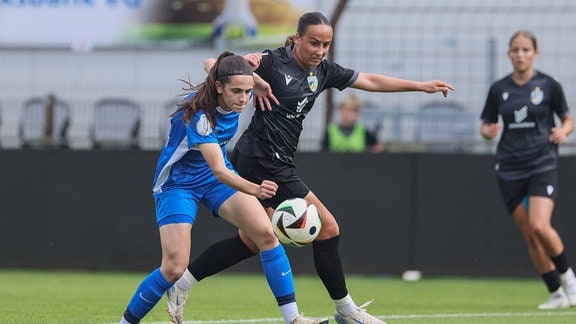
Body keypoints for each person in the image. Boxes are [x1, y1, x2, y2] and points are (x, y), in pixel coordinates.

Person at [168, 12, 454, 324]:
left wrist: (420, 86)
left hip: (276, 160)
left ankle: (183, 284)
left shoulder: (324, 71)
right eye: (313, 43)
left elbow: (369, 80)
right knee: (328, 228)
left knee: (253, 240)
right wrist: (258, 80)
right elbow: (213, 64)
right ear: (297, 38)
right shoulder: (272, 61)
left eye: (326, 44)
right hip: (263, 161)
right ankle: (346, 310)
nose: (319, 50)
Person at [119, 51, 328, 324]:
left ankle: (293, 318)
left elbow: (210, 63)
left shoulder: (234, 86)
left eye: (248, 91)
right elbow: (219, 169)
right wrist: (255, 190)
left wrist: (257, 81)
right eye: (237, 92)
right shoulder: (200, 116)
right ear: (219, 86)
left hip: (212, 178)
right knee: (173, 268)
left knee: (266, 233)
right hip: (178, 184)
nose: (244, 99)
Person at [480, 30, 576, 309]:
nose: (520, 55)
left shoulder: (548, 85)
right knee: (529, 233)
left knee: (539, 225)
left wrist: (564, 132)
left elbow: (568, 118)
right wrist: (489, 131)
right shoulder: (499, 89)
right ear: (509, 54)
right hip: (508, 166)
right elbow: (486, 125)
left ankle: (569, 278)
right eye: (515, 50)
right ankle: (556, 294)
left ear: (535, 53)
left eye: (525, 50)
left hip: (541, 162)